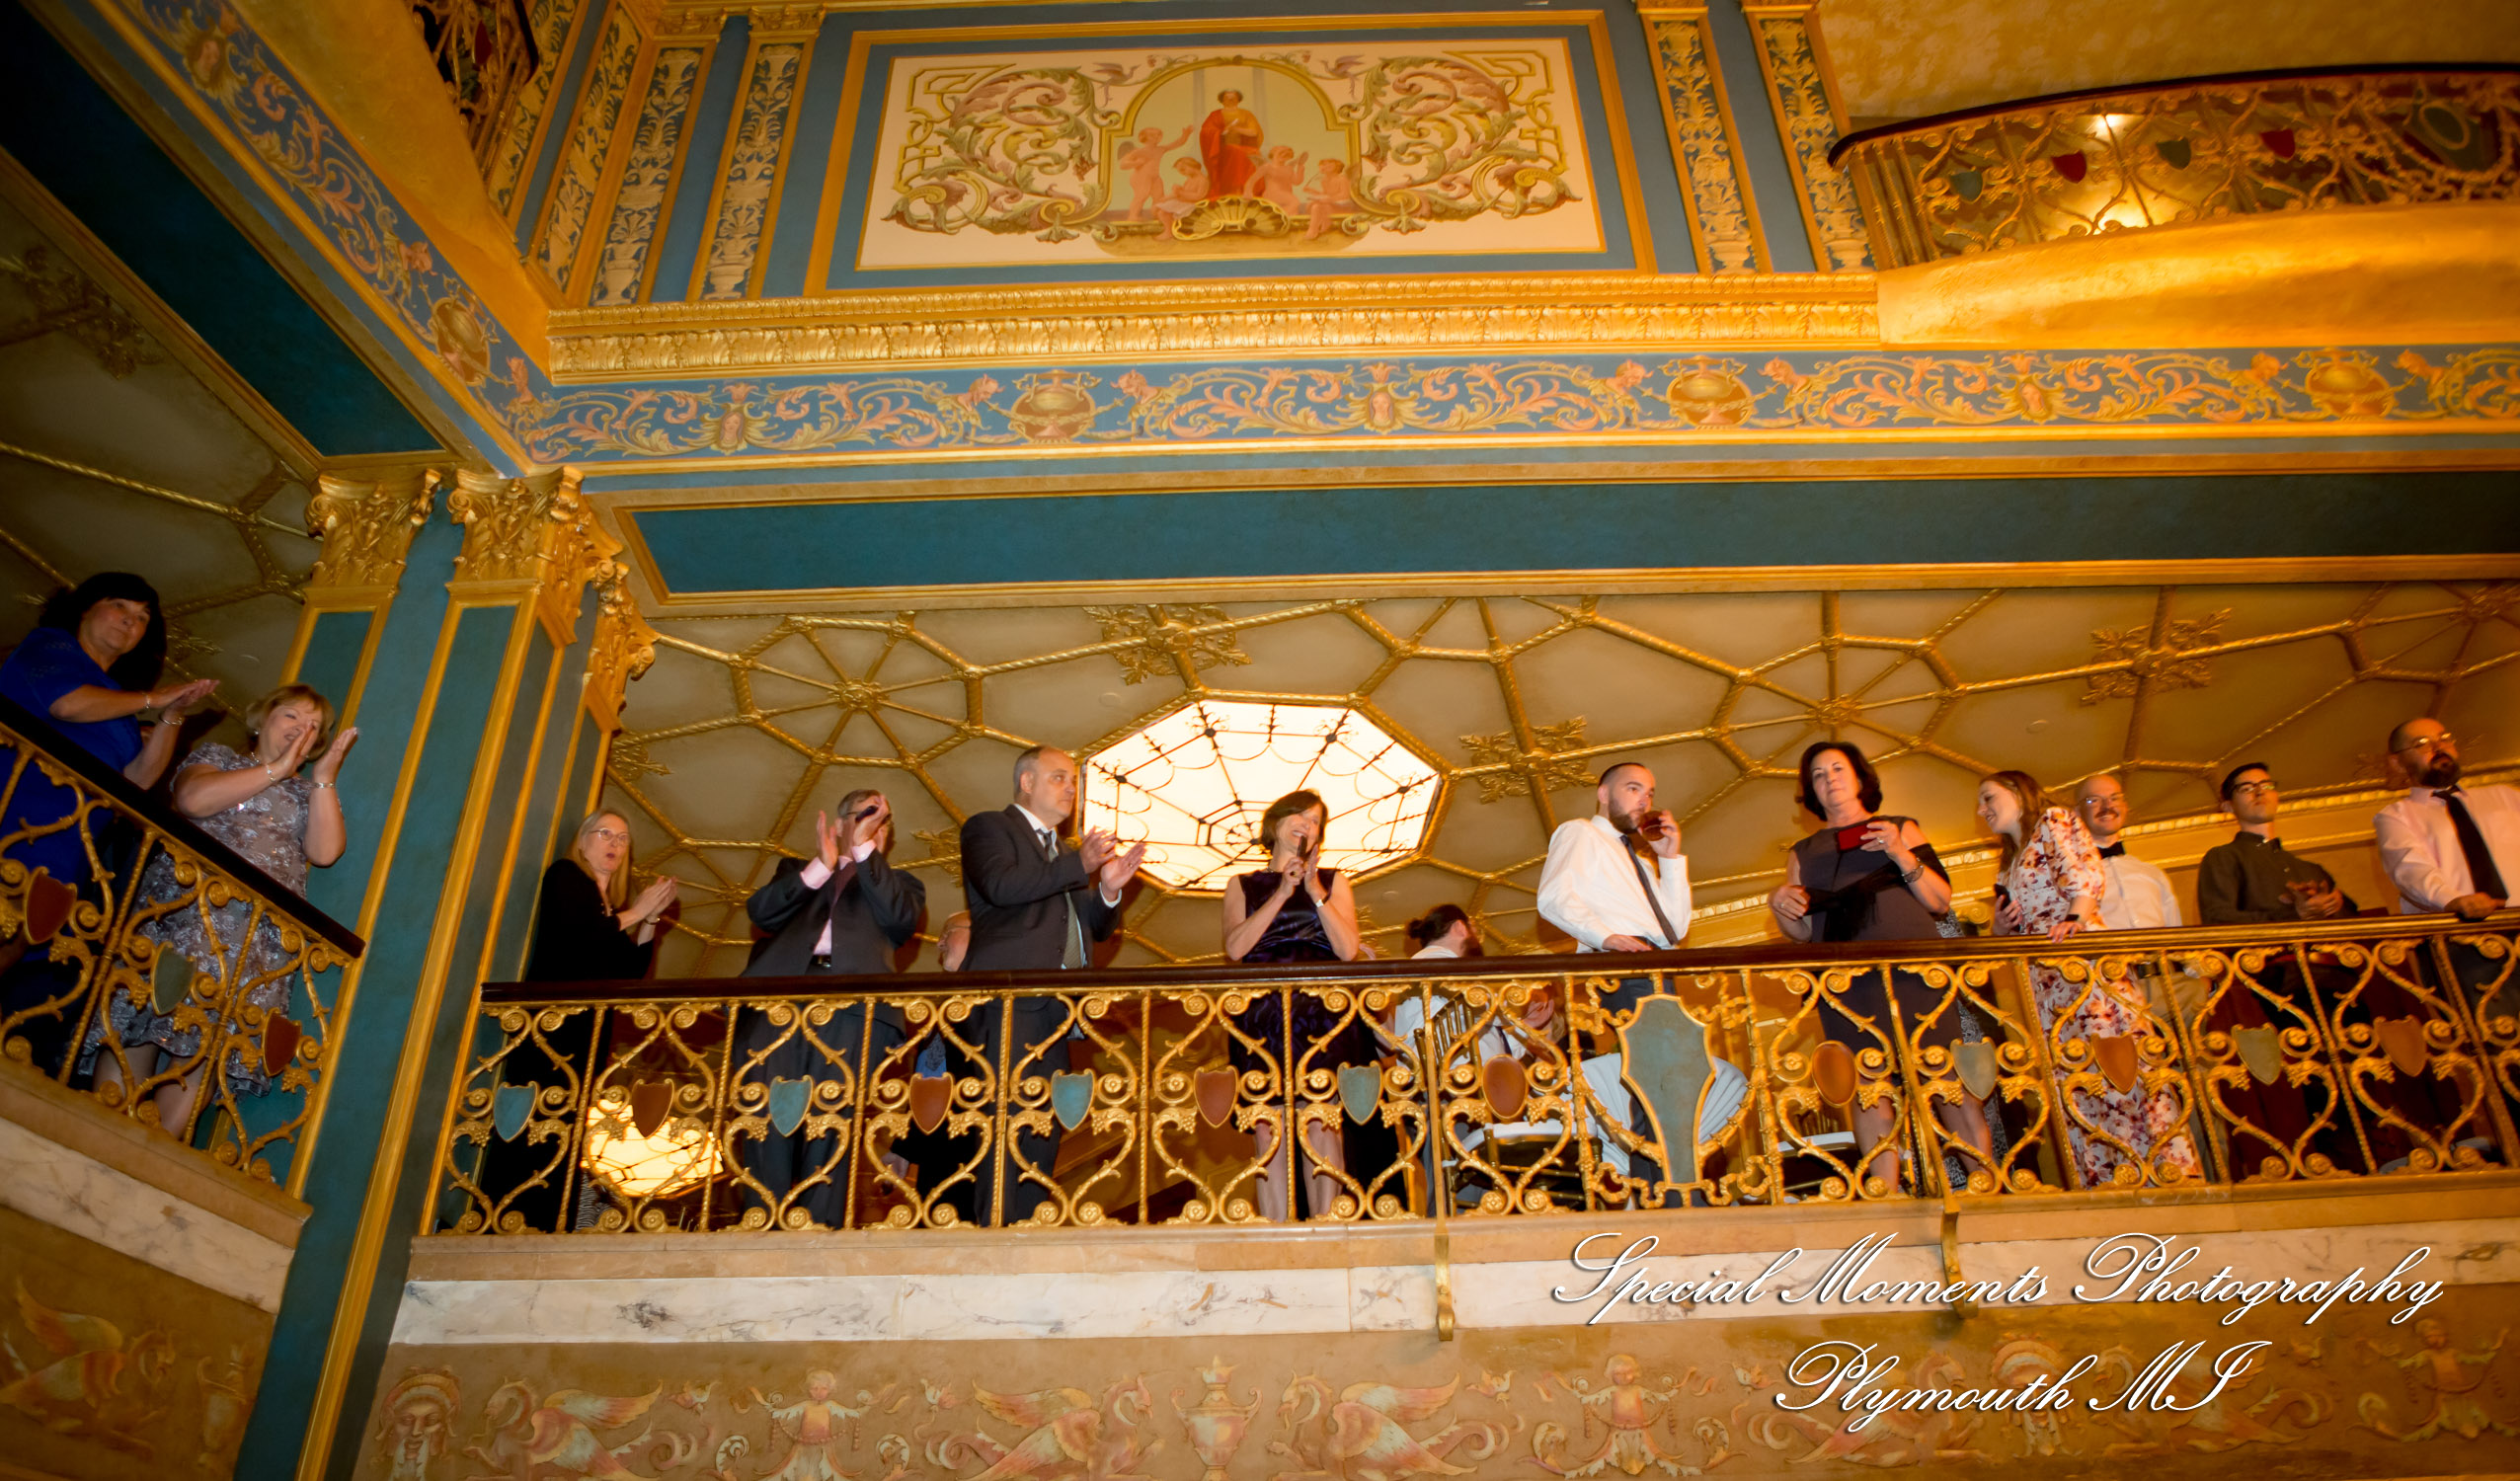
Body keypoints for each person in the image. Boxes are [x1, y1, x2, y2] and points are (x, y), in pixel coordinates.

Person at [80, 684, 354, 1135]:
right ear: (262, 718)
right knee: (144, 1016)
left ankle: (150, 1155)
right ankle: (101, 1130)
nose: (301, 731)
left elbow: (324, 852)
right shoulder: (219, 757)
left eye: (314, 728)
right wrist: (275, 769)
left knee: (209, 1045)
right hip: (187, 913)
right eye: (291, 717)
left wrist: (323, 778)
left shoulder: (309, 792)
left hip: (257, 939)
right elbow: (193, 801)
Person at [0, 575, 217, 1068]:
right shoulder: (50, 647)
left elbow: (139, 779)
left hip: (68, 840)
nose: (131, 621)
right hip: (15, 812)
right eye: (119, 606)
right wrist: (152, 699)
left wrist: (172, 717)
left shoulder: (119, 700)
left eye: (142, 617)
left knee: (17, 940)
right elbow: (66, 704)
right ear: (83, 610)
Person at [1770, 740, 1993, 1192]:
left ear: (1858, 777)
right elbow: (1803, 934)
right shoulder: (1803, 852)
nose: (1829, 777)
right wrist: (1779, 906)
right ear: (1810, 790)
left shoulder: (1900, 826)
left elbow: (1939, 901)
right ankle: (1886, 1198)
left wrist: (1900, 853)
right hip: (1846, 980)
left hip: (1915, 970)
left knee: (1946, 1077)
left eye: (1838, 768)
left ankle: (1988, 1190)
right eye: (1818, 773)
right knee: (1868, 1088)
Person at [1982, 769, 2199, 1189]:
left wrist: (2075, 920)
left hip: (2080, 963)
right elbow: (2008, 929)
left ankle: (2162, 1172)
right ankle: (2107, 1178)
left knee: (2116, 1062)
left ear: (2016, 793)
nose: (1982, 809)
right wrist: (1999, 928)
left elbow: (2086, 873)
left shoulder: (2054, 820)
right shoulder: (2008, 860)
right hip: (2046, 984)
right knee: (2078, 1079)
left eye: (1989, 798)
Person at [958, 745, 1142, 1222]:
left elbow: (1093, 930)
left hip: (1058, 1010)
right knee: (1005, 1121)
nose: (1071, 788)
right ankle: (993, 1236)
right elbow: (1002, 887)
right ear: (1026, 782)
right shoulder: (989, 827)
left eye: (1074, 781)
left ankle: (1026, 1231)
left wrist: (1107, 888)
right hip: (1009, 999)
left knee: (1044, 1125)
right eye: (1060, 777)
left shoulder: (1064, 854)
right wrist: (1079, 867)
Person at [731, 791, 924, 1229]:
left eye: (882, 821)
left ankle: (820, 1233)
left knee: (833, 1125)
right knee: (766, 1120)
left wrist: (863, 849)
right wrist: (820, 865)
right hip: (778, 1004)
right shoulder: (794, 872)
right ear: (837, 825)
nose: (874, 824)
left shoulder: (902, 882)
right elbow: (761, 912)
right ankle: (761, 1227)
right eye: (863, 817)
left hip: (853, 1009)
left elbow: (899, 920)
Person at [493, 811, 678, 1229]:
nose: (614, 843)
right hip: (551, 1027)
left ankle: (548, 1219)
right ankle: (514, 1213)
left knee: (568, 1125)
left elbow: (627, 971)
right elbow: (578, 935)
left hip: (589, 1033)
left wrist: (648, 919)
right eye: (605, 833)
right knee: (536, 1119)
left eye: (624, 838)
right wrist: (634, 914)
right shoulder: (566, 877)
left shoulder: (610, 906)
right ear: (583, 842)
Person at [1536, 761, 1690, 1200]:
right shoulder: (1580, 832)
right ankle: (1666, 1195)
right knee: (1656, 1080)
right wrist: (1606, 938)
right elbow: (1553, 897)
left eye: (1650, 791)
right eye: (1633, 788)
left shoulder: (1638, 856)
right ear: (1603, 793)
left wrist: (1671, 860)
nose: (1644, 798)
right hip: (1627, 966)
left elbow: (1675, 929)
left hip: (1657, 963)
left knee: (1667, 1082)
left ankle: (1661, 1189)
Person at [1221, 790, 1365, 1221]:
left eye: (1316, 820)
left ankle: (1329, 1227)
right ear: (1276, 822)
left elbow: (1348, 950)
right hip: (1261, 1014)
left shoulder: (1336, 881)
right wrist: (1282, 892)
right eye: (1299, 814)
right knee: (1267, 1124)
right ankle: (1274, 1232)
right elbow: (1235, 948)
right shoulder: (1241, 885)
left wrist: (1313, 889)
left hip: (1322, 1012)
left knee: (1321, 1122)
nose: (1307, 823)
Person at [2375, 718, 2515, 922]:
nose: (2439, 747)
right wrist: (2454, 901)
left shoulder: (2505, 796)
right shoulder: (2395, 817)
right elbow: (2411, 870)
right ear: (2397, 763)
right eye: (2421, 744)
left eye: (2444, 739)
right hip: (2462, 930)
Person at [1198, 89, 1263, 197]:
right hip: (1221, 148)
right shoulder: (1215, 115)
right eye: (1227, 98)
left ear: (1238, 100)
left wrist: (1236, 129)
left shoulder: (1246, 114)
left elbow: (1254, 132)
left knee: (1254, 153)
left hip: (1245, 146)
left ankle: (1249, 190)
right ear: (1222, 101)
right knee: (1236, 152)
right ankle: (1234, 190)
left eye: (1233, 98)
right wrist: (1220, 133)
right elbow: (1206, 131)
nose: (1230, 100)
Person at [1119, 124, 1192, 219]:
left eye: (1159, 135)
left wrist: (1185, 135)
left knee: (1159, 196)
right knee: (1142, 195)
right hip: (1141, 177)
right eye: (1153, 135)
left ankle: (1156, 214)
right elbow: (1123, 165)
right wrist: (1137, 163)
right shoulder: (1140, 151)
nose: (1157, 137)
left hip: (1155, 177)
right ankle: (1133, 215)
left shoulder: (1160, 149)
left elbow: (1177, 144)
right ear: (1144, 138)